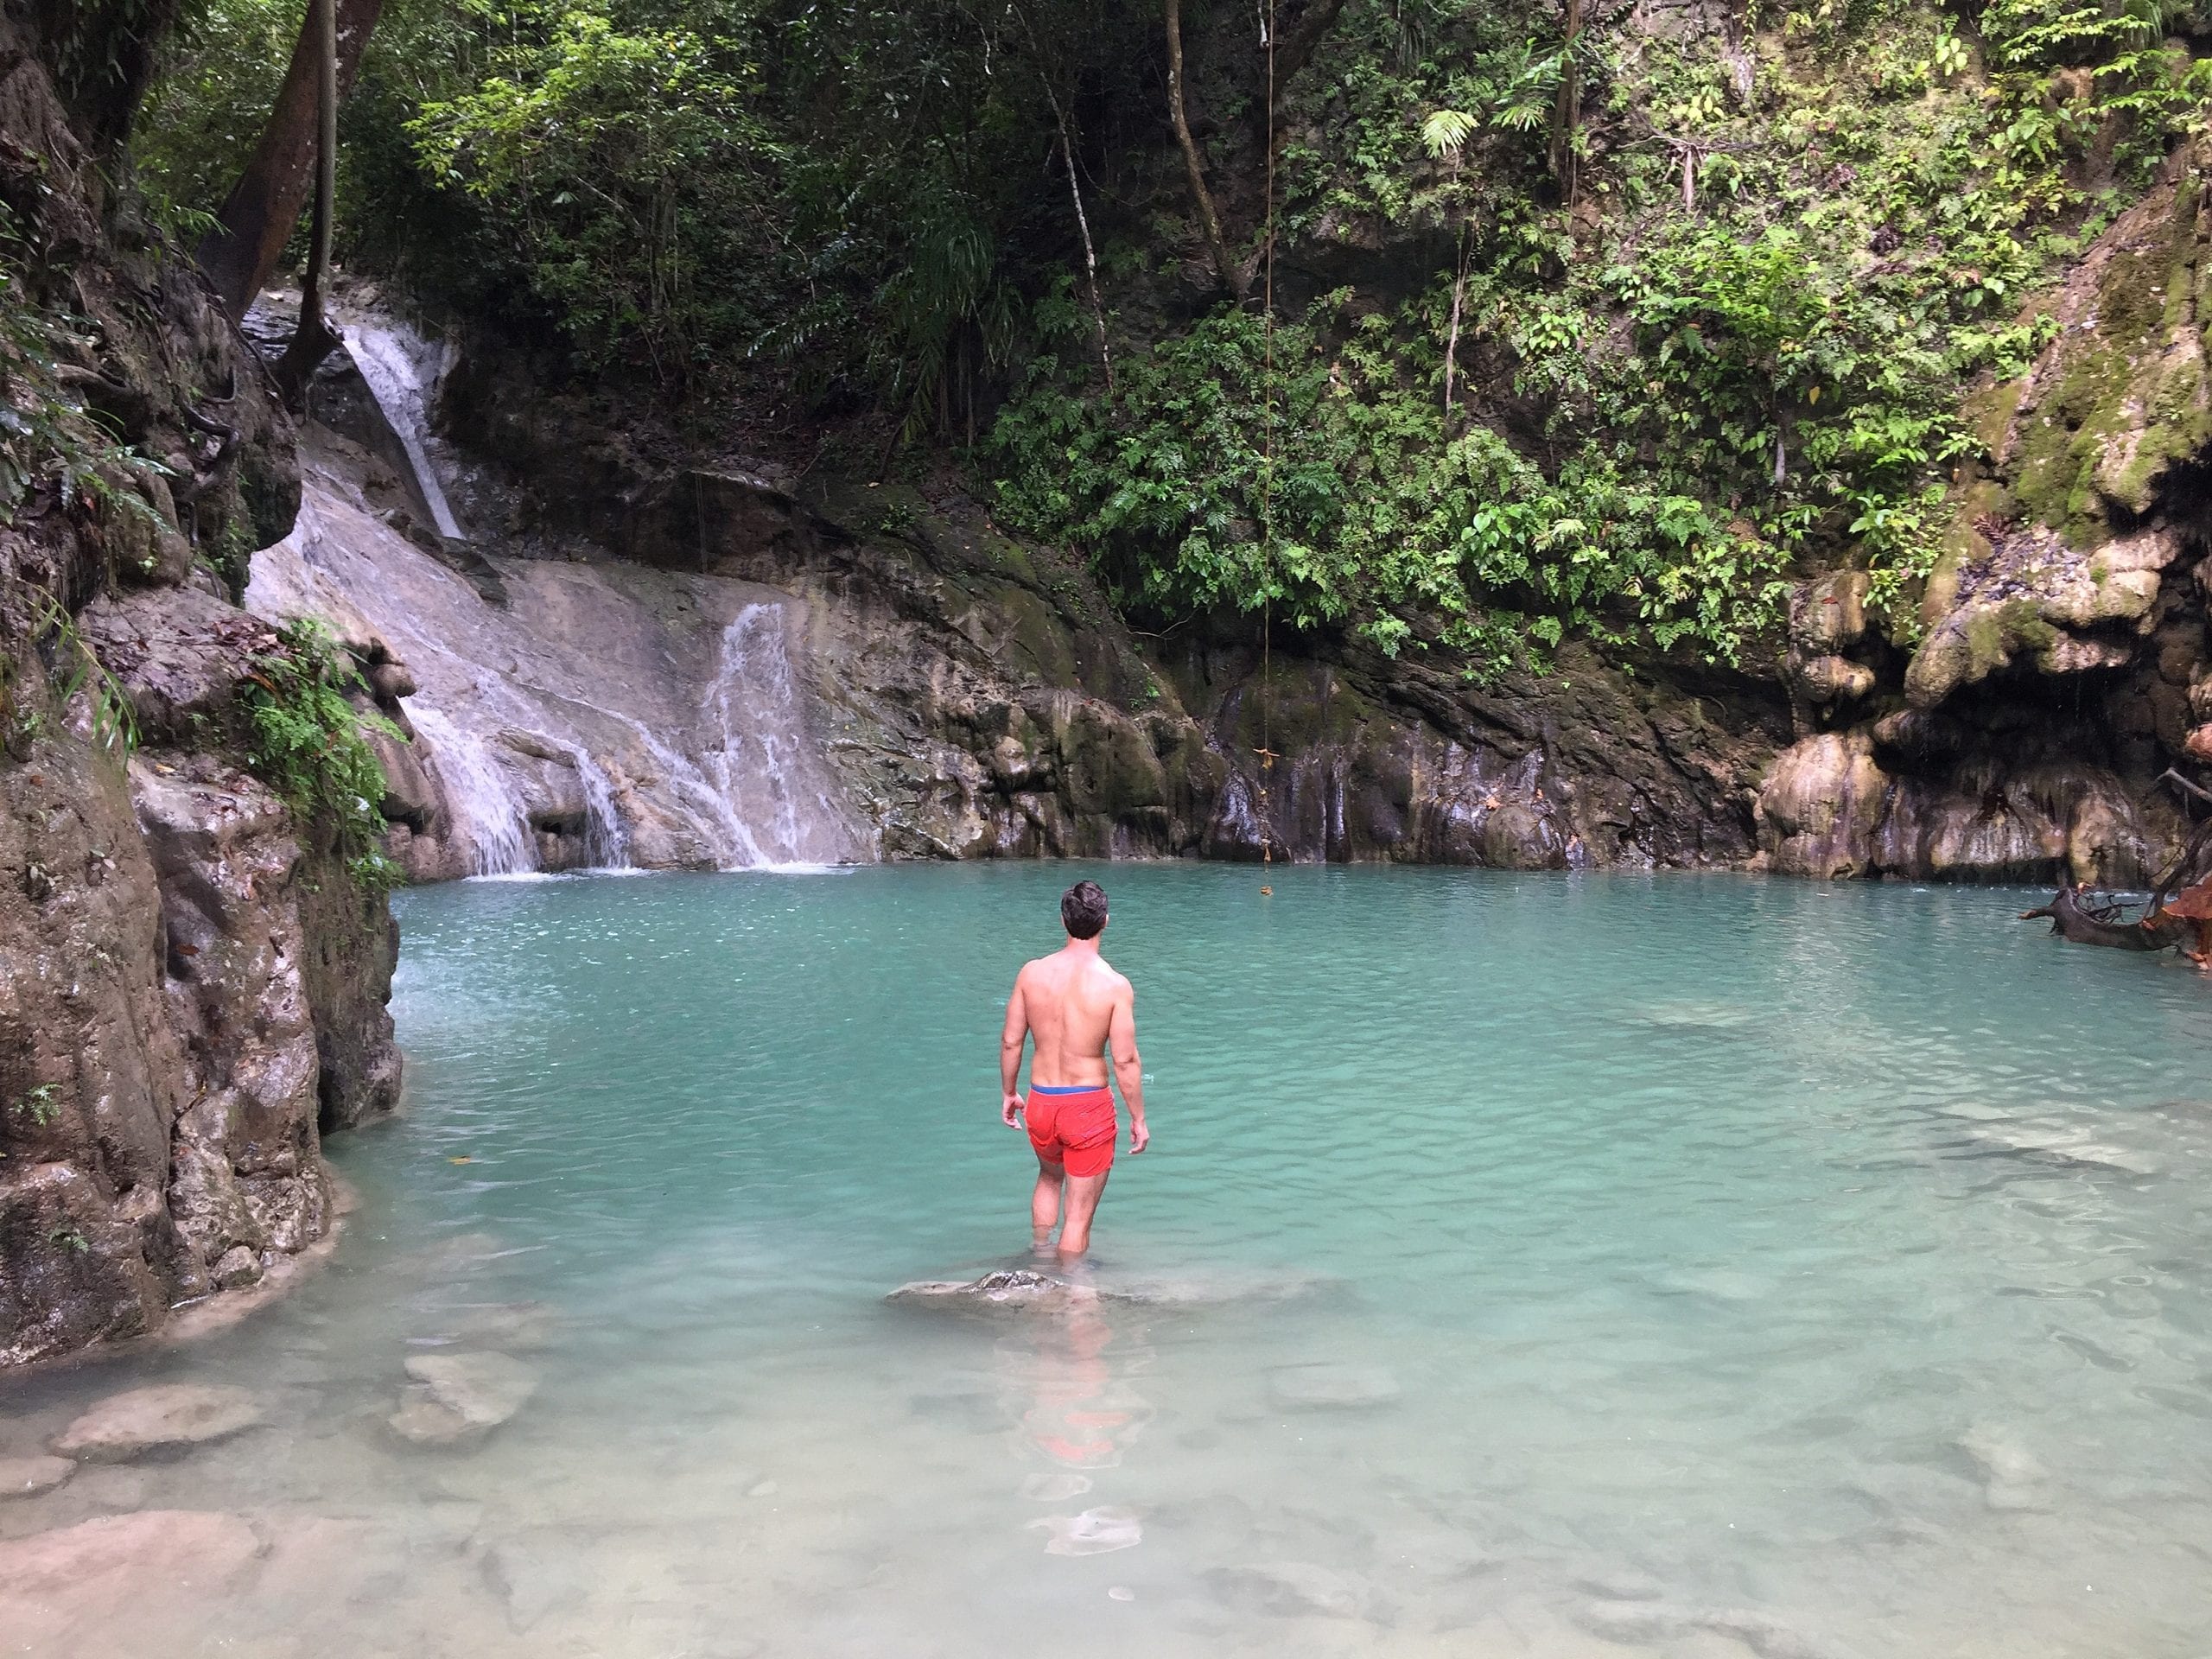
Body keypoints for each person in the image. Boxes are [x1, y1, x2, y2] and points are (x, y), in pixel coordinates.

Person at [1000, 880, 1147, 1259]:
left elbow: (1012, 1041)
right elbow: (1125, 1060)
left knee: (1049, 1177)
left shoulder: (1031, 973)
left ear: (1063, 921)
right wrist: (1138, 1118)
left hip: (1041, 1101)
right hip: (1086, 1107)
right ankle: (1071, 1297)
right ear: (1106, 921)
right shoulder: (1114, 985)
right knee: (1078, 1218)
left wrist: (1008, 1092)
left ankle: (1039, 1254)